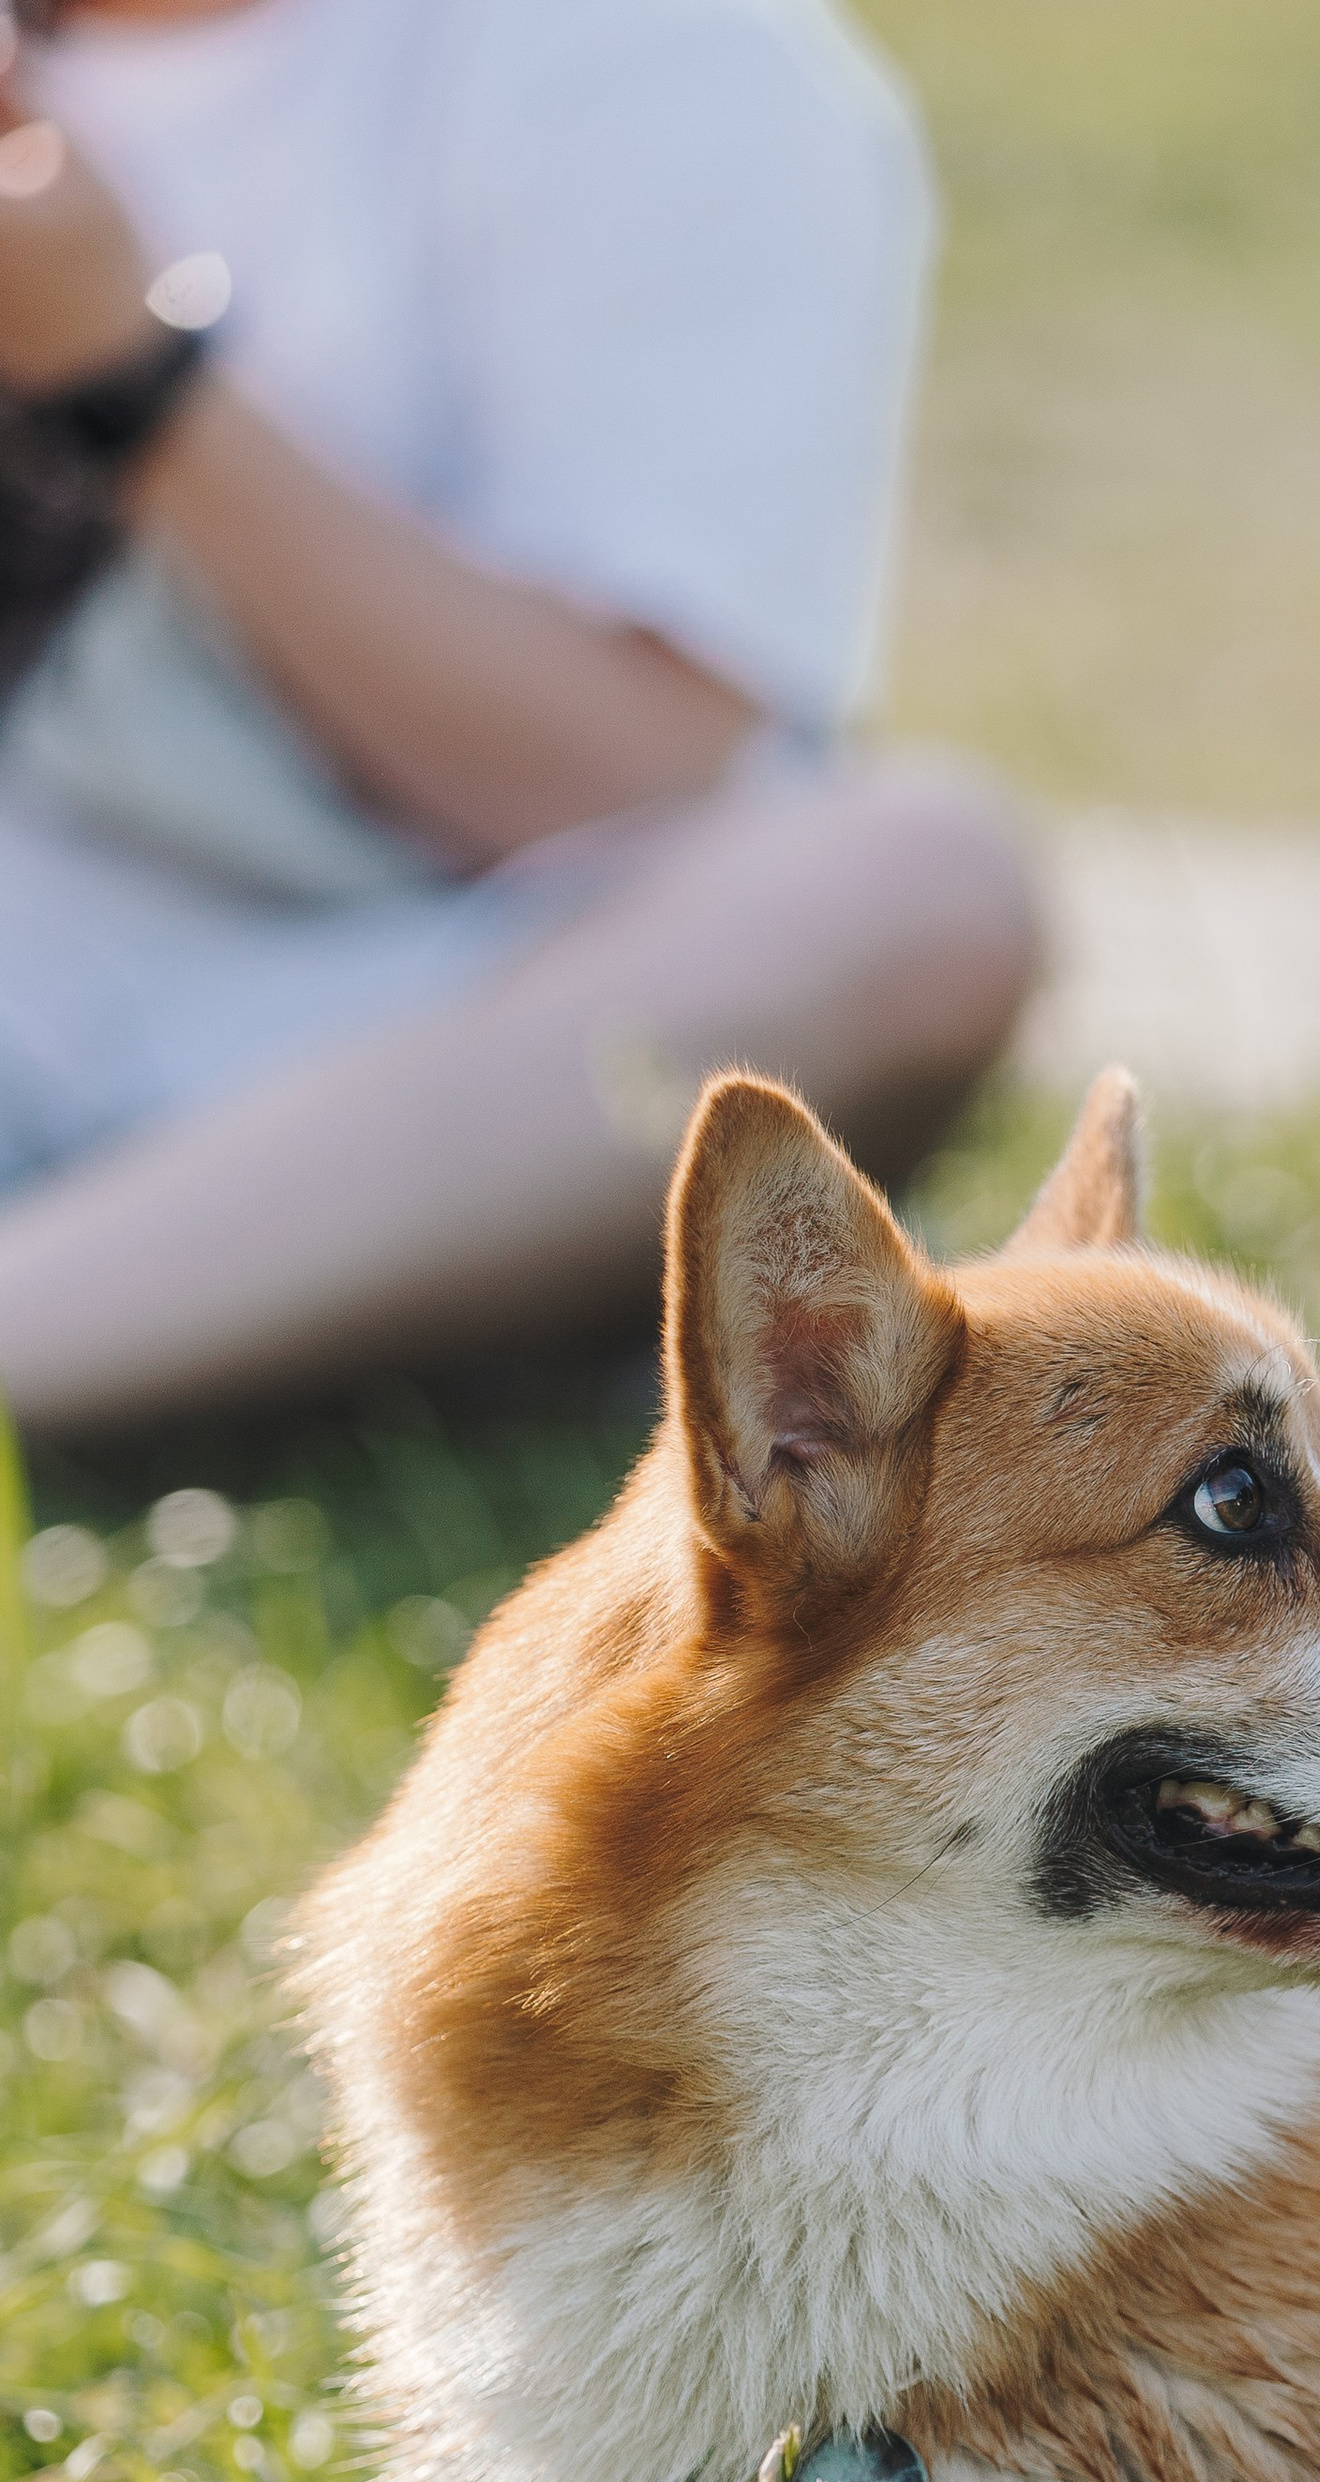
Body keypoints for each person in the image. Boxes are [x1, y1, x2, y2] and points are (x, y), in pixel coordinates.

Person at [0, 0, 1039, 1434]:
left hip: (410, 1042)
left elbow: (620, 783)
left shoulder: (652, 58)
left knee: (917, 888)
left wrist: (133, 378)